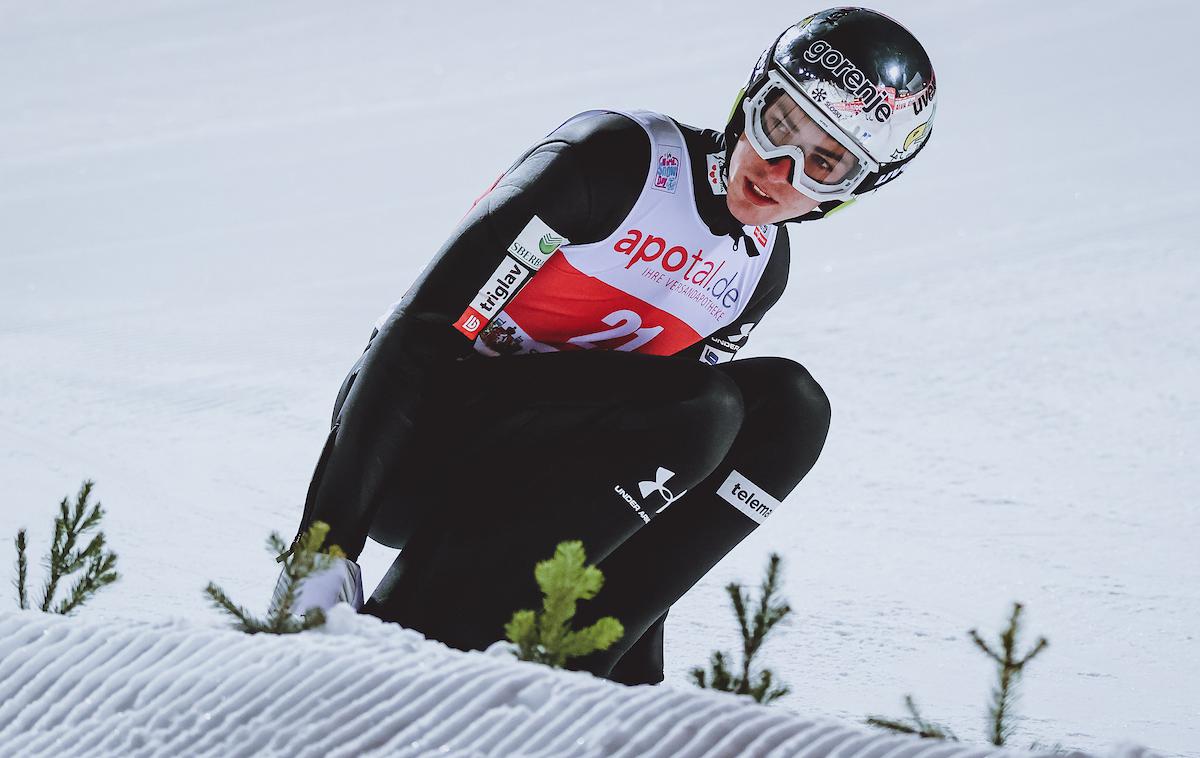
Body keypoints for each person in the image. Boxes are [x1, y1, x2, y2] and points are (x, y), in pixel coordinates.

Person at [272, 7, 938, 685]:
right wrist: (324, 549)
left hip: (546, 473)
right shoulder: (618, 165)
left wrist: (638, 666)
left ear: (851, 194)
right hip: (416, 449)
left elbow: (671, 473)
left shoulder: (759, 269)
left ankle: (595, 664)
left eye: (823, 164)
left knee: (791, 411)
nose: (778, 169)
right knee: (703, 406)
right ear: (749, 100)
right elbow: (418, 332)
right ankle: (416, 626)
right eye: (779, 126)